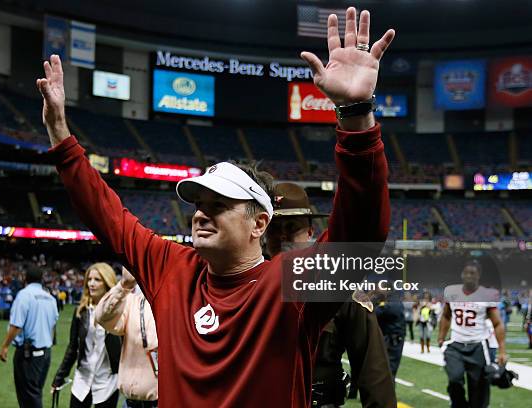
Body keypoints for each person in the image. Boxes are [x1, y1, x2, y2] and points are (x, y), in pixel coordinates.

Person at [38, 7, 394, 406]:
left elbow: (360, 232)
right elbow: (108, 218)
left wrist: (356, 116)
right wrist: (61, 138)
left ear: (259, 223)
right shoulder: (172, 270)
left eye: (219, 204)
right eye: (198, 203)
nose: (201, 213)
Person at [265, 182, 395, 407]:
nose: (282, 236)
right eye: (274, 228)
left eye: (291, 227)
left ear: (309, 232)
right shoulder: (246, 284)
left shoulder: (340, 290)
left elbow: (372, 372)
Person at [437, 259, 506, 408]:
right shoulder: (451, 292)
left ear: (478, 275)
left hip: (478, 346)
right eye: (466, 272)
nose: (469, 276)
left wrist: (502, 350)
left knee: (478, 389)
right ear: (462, 274)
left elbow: (497, 323)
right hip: (456, 344)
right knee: (454, 378)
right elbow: (446, 315)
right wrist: (441, 336)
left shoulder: (487, 294)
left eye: (473, 273)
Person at [52, 263, 121, 408]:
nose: (91, 283)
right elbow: (72, 347)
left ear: (107, 283)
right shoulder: (81, 311)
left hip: (108, 382)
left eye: (97, 279)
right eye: (89, 279)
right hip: (82, 380)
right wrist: (58, 378)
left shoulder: (119, 312)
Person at [95, 266, 158, 408]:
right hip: (132, 403)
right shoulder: (133, 301)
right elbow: (102, 318)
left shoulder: (181, 300)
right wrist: (124, 285)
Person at [0, 266, 59, 408]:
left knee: (29, 398)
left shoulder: (24, 295)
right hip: (45, 353)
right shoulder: (50, 297)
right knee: (35, 392)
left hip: (28, 353)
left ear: (25, 279)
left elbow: (16, 325)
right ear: (41, 280)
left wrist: (5, 346)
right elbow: (54, 322)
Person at [374, 291, 406, 380]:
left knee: (389, 371)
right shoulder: (391, 301)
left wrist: (375, 301)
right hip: (391, 339)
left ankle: (387, 393)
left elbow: (376, 313)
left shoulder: (392, 302)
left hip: (393, 341)